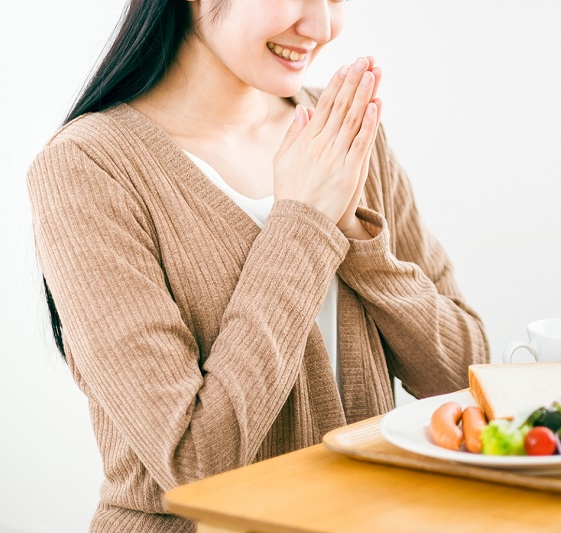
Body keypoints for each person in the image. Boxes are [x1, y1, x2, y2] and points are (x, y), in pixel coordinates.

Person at [27, 0, 490, 530]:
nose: (321, 27)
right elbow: (196, 461)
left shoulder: (340, 131)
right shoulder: (88, 167)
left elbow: (467, 376)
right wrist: (304, 224)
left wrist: (356, 235)